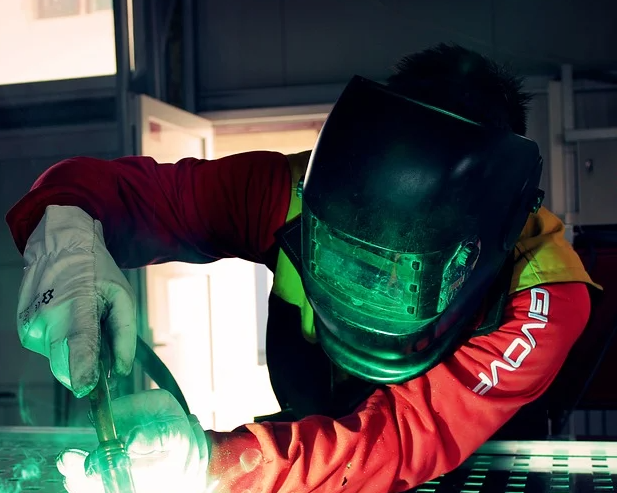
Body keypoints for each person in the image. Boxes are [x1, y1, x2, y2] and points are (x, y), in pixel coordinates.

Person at [6, 44, 599, 493]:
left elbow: (403, 435)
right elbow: (124, 193)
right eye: (351, 254)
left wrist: (214, 463)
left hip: (469, 464)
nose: (372, 290)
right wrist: (67, 244)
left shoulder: (545, 292)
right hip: (308, 451)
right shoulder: (291, 192)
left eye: (403, 272)